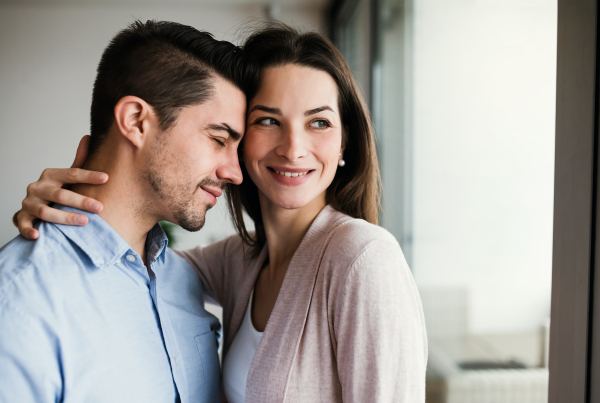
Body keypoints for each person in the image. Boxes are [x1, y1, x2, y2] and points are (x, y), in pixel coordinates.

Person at [15, 25, 428, 402]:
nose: (293, 148)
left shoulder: (364, 258)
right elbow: (122, 257)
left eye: (319, 123)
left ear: (345, 144)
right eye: (267, 120)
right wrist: (61, 204)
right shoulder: (237, 263)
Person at [1, 20, 246, 402]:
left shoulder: (184, 279)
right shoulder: (21, 299)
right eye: (218, 139)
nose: (234, 172)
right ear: (135, 121)